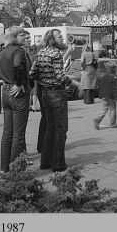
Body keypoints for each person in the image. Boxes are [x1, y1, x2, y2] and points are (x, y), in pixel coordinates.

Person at [0, 26, 32, 172]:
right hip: (18, 94)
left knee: (7, 133)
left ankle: (4, 168)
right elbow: (17, 66)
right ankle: (16, 171)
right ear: (15, 37)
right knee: (18, 134)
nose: (25, 37)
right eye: (22, 35)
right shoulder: (19, 51)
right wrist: (18, 83)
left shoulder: (2, 52)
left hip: (5, 93)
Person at [29, 28, 73, 172]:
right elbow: (60, 77)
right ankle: (58, 164)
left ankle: (45, 162)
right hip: (57, 94)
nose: (62, 38)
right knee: (61, 129)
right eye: (59, 37)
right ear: (52, 39)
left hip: (45, 94)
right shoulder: (56, 54)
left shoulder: (41, 52)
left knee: (49, 128)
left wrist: (44, 80)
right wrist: (71, 81)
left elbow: (32, 73)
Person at [93, 61, 117, 129]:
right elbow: (115, 88)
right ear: (113, 69)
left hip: (104, 95)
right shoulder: (114, 77)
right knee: (112, 108)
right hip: (111, 95)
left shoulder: (104, 76)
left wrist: (100, 95)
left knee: (104, 108)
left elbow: (101, 86)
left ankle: (98, 119)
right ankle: (112, 123)